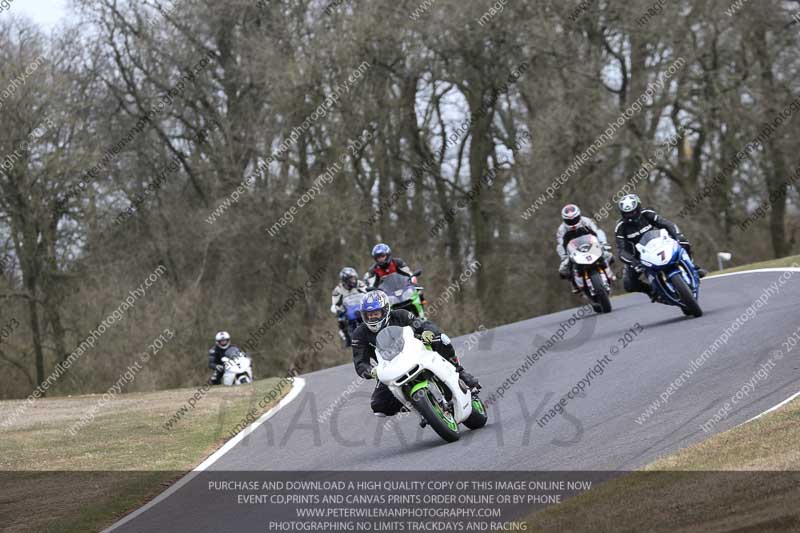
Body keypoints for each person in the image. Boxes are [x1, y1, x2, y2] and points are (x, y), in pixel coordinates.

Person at [352, 290, 480, 417]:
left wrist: (427, 332)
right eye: (368, 315)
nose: (371, 317)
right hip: (390, 367)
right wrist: (371, 371)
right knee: (379, 406)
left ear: (385, 310)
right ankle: (418, 405)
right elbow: (360, 363)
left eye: (375, 313)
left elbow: (424, 324)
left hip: (416, 353)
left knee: (441, 339)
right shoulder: (359, 334)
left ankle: (460, 372)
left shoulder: (401, 315)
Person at [614, 194, 706, 299]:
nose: (630, 215)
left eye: (633, 212)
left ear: (638, 208)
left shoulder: (647, 214)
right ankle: (652, 292)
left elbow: (666, 224)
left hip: (658, 245)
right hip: (638, 257)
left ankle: (694, 268)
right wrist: (634, 263)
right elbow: (621, 251)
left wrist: (677, 236)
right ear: (622, 213)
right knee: (629, 284)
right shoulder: (620, 227)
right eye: (627, 214)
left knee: (683, 241)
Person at [556, 204, 615, 291]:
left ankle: (608, 272)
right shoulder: (562, 229)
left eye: (575, 219)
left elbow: (596, 232)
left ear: (579, 216)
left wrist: (603, 244)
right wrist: (565, 256)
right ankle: (573, 283)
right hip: (574, 251)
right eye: (570, 221)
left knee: (608, 255)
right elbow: (561, 244)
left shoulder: (586, 221)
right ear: (564, 219)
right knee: (563, 269)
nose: (573, 222)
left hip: (590, 246)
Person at [330, 267, 367, 346]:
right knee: (341, 320)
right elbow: (333, 305)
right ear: (345, 280)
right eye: (351, 279)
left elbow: (367, 292)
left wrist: (371, 291)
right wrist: (338, 310)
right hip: (347, 311)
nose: (354, 281)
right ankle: (346, 338)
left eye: (354, 278)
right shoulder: (337, 290)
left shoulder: (359, 284)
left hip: (361, 308)